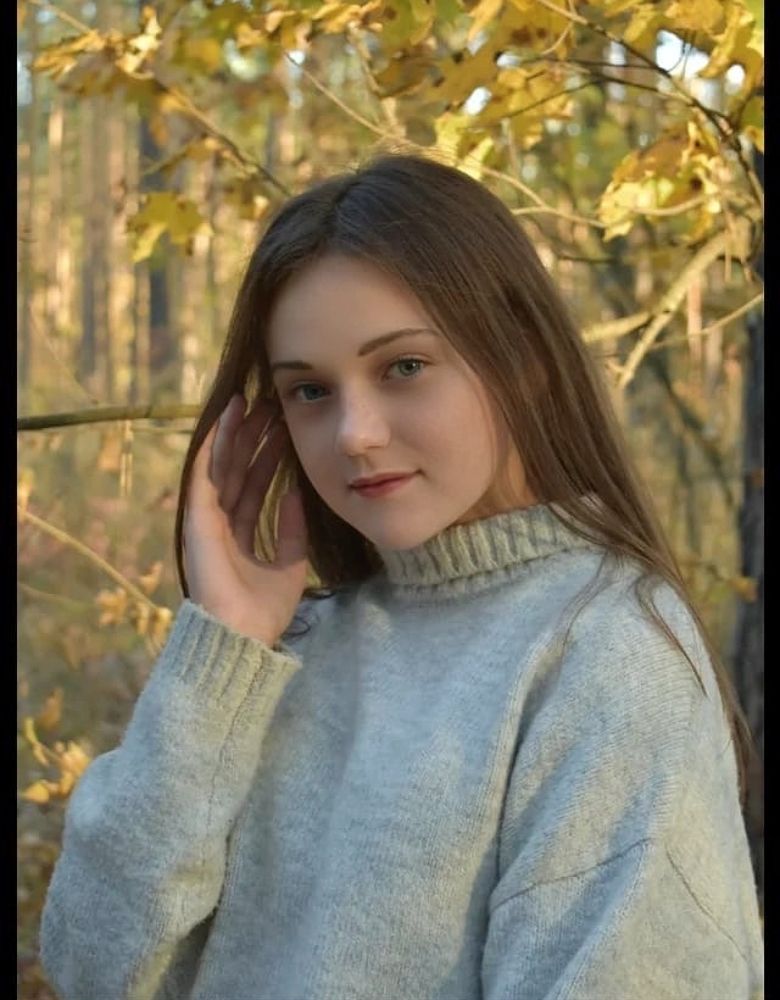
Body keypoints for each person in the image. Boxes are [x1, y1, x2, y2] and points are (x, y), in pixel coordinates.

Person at [40, 150, 763, 1000]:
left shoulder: (606, 651)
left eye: (404, 367)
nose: (355, 433)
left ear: (522, 358)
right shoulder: (273, 657)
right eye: (310, 391)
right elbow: (91, 965)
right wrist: (222, 649)